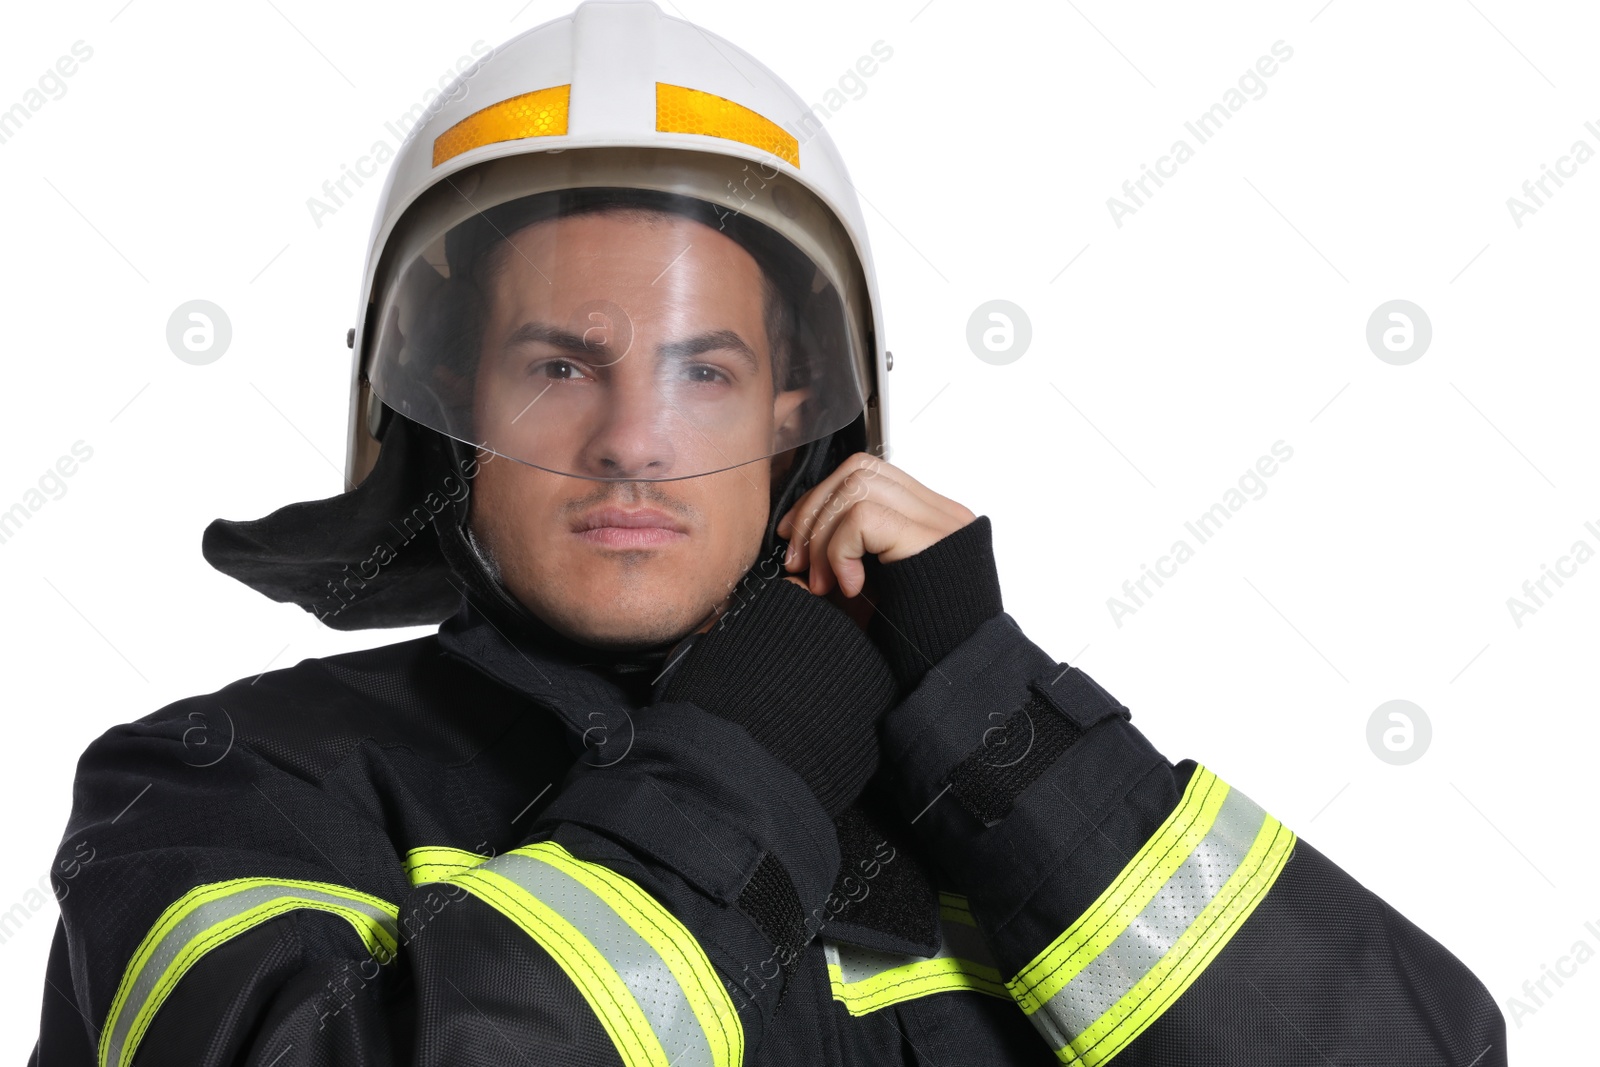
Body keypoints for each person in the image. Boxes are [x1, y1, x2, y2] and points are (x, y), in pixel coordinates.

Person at [28, 3, 1505, 1065]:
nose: (632, 440)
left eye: (704, 369)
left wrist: (1006, 734)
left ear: (801, 419)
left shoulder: (973, 826)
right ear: (444, 419)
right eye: (557, 366)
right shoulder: (221, 788)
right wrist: (748, 751)